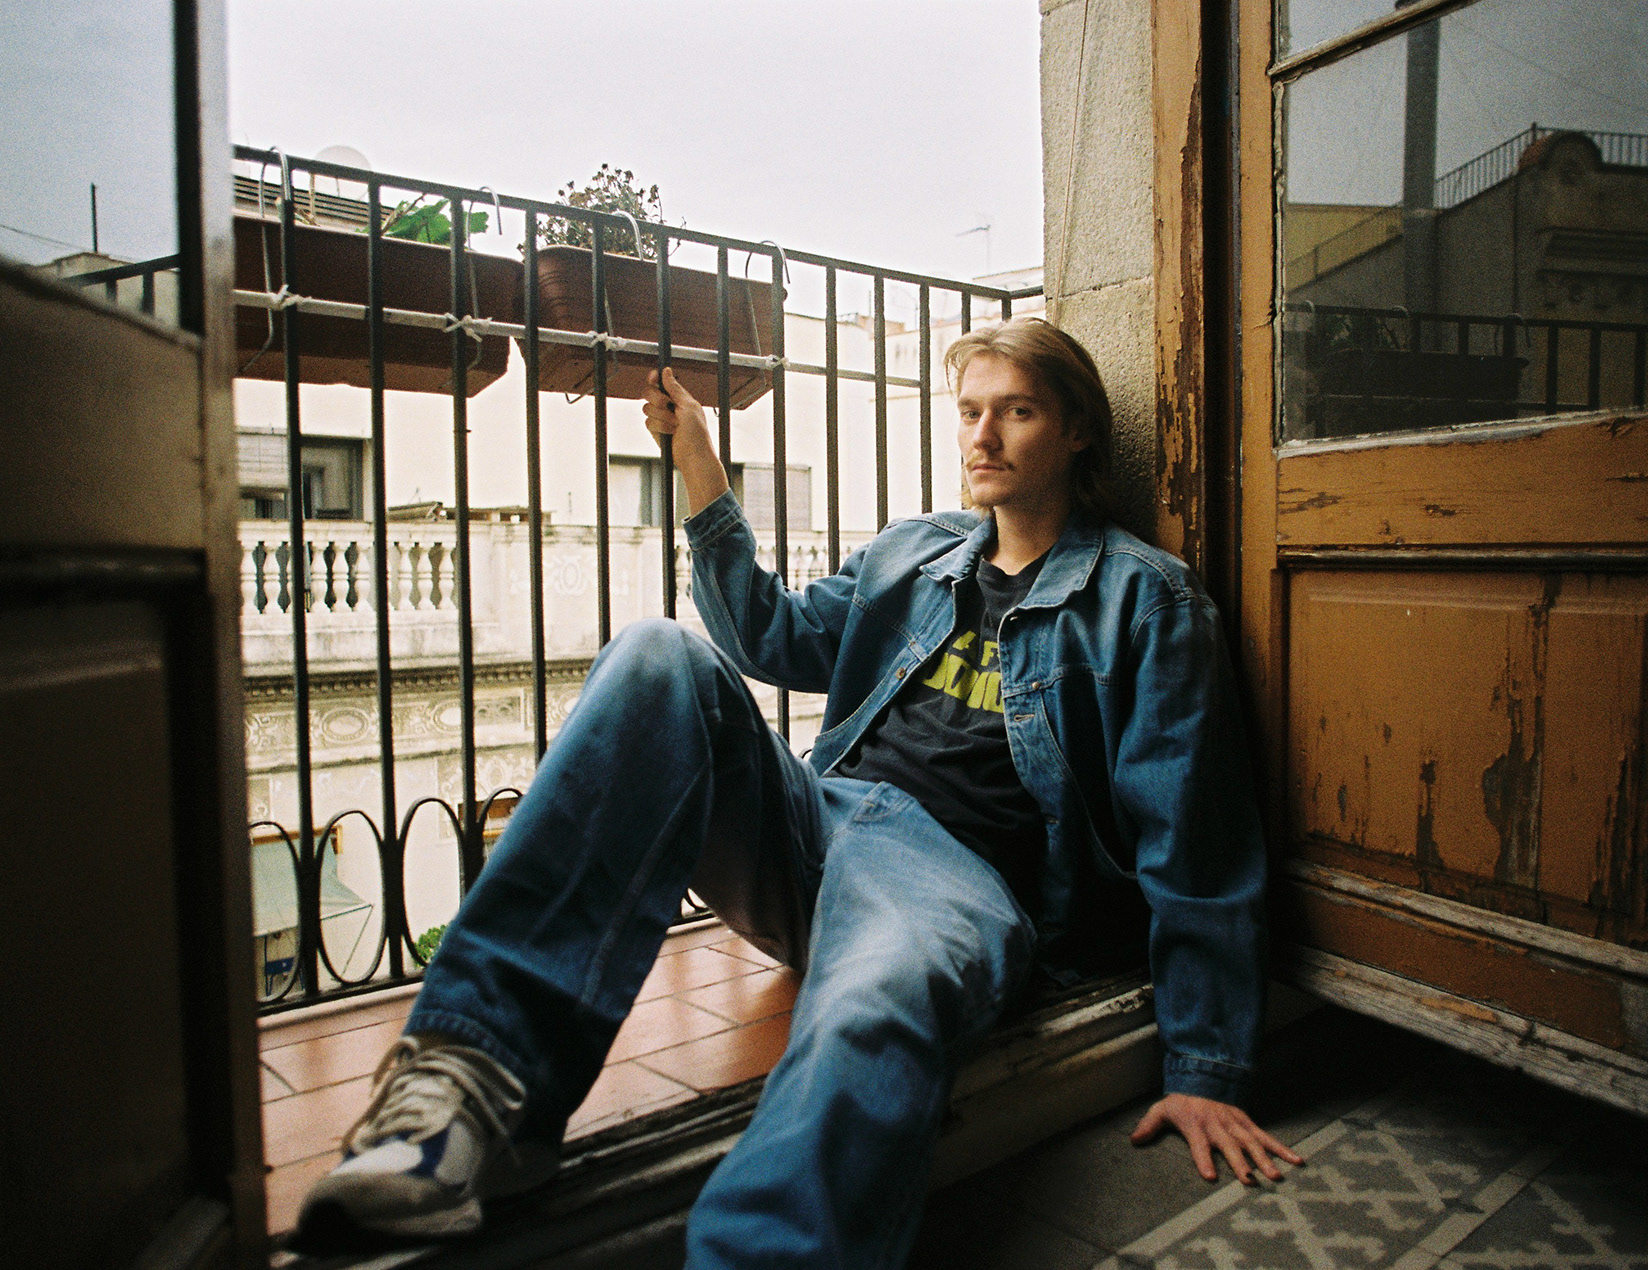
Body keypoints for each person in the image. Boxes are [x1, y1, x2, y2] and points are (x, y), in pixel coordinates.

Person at [296, 317, 1301, 1264]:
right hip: (818, 825)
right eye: (969, 411)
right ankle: (474, 1096)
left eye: (1017, 411)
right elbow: (768, 635)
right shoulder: (914, 553)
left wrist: (1206, 1068)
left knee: (874, 1001)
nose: (982, 435)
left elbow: (1194, 841)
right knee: (655, 657)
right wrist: (696, 459)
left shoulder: (1146, 601)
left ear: (1078, 430)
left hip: (952, 884)